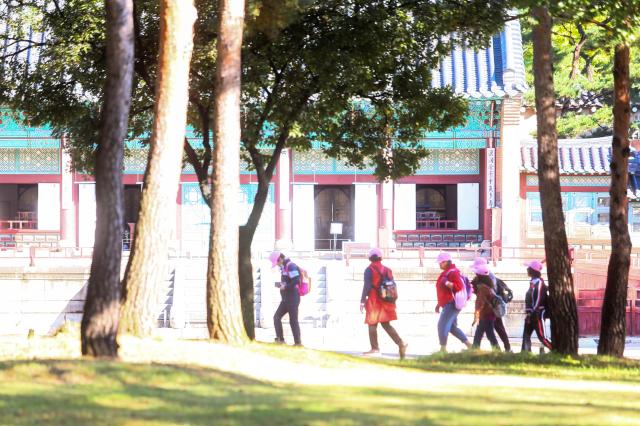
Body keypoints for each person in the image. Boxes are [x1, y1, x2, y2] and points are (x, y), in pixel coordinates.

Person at [360, 248, 408, 359]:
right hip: (386, 300)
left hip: (374, 300)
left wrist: (362, 301)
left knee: (372, 323)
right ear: (380, 257)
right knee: (386, 324)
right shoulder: (387, 270)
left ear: (370, 258)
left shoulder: (369, 269)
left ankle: (375, 349)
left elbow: (367, 286)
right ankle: (401, 343)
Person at [470, 257, 512, 352]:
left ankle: (502, 349)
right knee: (483, 332)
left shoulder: (486, 281)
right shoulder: (486, 276)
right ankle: (475, 349)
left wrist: (477, 313)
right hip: (489, 310)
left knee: (493, 331)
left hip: (489, 310)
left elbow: (482, 299)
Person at [435, 252, 472, 352]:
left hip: (451, 304)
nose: (439, 264)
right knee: (451, 327)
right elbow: (445, 292)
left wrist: (446, 282)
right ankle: (469, 345)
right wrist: (439, 304)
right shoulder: (448, 272)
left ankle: (443, 349)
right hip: (447, 303)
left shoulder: (453, 272)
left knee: (441, 325)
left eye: (440, 263)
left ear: (446, 262)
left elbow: (458, 287)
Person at [270, 250, 302, 346]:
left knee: (293, 320)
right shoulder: (284, 267)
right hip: (286, 299)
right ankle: (280, 340)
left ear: (280, 259)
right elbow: (289, 281)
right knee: (276, 317)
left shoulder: (290, 266)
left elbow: (296, 280)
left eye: (277, 263)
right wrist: (281, 285)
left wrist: (285, 287)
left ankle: (298, 343)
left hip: (293, 298)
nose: (277, 265)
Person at [522, 260, 552, 353]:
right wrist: (528, 313)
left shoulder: (539, 283)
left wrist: (533, 312)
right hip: (531, 314)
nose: (527, 269)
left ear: (533, 270)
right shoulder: (532, 282)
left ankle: (555, 350)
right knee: (526, 335)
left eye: (529, 268)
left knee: (542, 337)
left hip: (537, 313)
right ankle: (525, 354)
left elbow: (538, 299)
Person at [470, 263, 500, 350]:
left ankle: (497, 351)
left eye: (477, 274)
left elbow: (480, 303)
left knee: (489, 335)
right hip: (488, 314)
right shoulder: (489, 286)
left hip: (486, 315)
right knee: (480, 334)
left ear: (480, 276)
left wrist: (476, 315)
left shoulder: (483, 288)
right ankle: (475, 350)